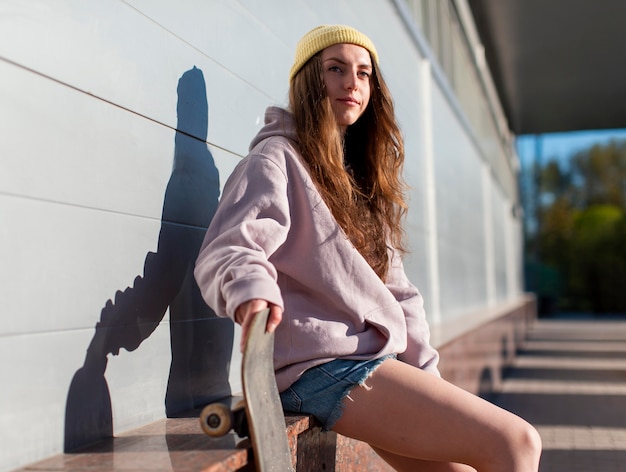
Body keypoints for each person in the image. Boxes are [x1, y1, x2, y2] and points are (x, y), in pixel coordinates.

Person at [194, 24, 541, 471]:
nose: (351, 83)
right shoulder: (274, 160)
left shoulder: (360, 182)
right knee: (517, 442)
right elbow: (229, 248)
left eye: (363, 73)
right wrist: (250, 292)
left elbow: (399, 295)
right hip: (318, 365)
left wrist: (426, 380)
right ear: (308, 81)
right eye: (335, 68)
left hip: (369, 362)